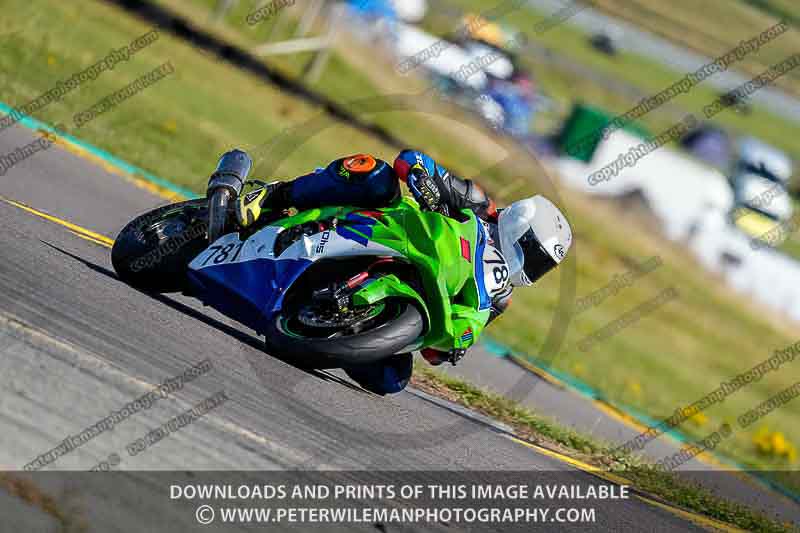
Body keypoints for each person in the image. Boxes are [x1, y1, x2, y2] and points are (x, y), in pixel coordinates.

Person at [231, 149, 572, 393]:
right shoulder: (478, 204)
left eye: (542, 266)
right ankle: (273, 196)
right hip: (388, 227)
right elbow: (410, 159)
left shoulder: (499, 297)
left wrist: (452, 346)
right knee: (375, 173)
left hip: (416, 286)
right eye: (532, 253)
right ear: (519, 224)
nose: (530, 266)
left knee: (392, 378)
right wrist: (424, 181)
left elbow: (434, 351)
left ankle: (321, 318)